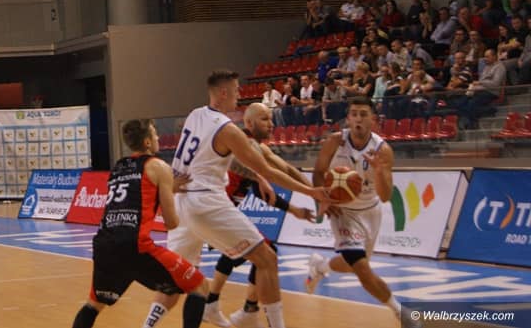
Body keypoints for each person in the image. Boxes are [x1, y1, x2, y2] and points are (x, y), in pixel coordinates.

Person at [146, 70, 332, 328]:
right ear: (224, 93)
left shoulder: (195, 115)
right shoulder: (228, 130)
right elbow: (270, 170)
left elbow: (224, 159)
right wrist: (311, 192)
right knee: (267, 259)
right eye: (236, 90)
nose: (239, 94)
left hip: (181, 203)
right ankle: (259, 318)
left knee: (176, 278)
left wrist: (257, 177)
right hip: (206, 202)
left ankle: (150, 325)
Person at [71, 119, 208, 328]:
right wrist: (168, 189)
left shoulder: (118, 167)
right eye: (154, 134)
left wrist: (166, 187)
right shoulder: (159, 166)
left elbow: (137, 192)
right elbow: (171, 223)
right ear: (147, 142)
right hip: (135, 246)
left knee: (94, 304)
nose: (158, 137)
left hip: (104, 244)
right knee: (199, 286)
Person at [305, 97, 419, 328]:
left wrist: (379, 172)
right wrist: (323, 198)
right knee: (362, 268)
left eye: (363, 114)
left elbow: (385, 196)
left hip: (370, 211)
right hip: (343, 212)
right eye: (354, 114)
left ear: (373, 120)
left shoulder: (383, 150)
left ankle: (320, 266)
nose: (358, 118)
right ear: (348, 119)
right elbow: (318, 172)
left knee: (352, 265)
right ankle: (401, 313)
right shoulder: (335, 142)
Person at [202, 103, 315, 328]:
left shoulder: (258, 148)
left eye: (271, 118)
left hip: (218, 210)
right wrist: (300, 204)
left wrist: (315, 192)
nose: (271, 124)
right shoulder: (243, 145)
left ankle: (233, 308)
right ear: (249, 123)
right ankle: (236, 309)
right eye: (265, 119)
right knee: (263, 253)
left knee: (248, 253)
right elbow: (262, 190)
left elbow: (287, 169)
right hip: (213, 208)